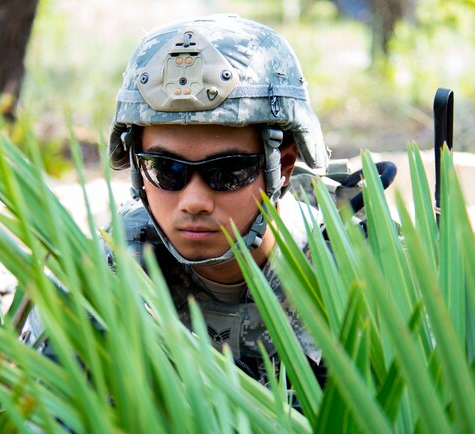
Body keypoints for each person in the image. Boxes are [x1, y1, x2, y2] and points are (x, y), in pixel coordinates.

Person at [101, 13, 332, 384]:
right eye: (165, 169)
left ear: (283, 167)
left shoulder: (348, 273)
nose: (193, 201)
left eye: (227, 172)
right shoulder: (113, 265)